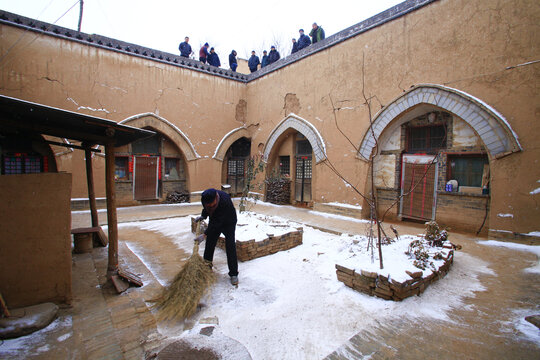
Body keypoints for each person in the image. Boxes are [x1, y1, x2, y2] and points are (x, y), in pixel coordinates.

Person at [194, 188, 239, 285]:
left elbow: (216, 223)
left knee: (230, 246)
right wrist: (203, 216)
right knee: (210, 243)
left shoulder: (224, 201)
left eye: (212, 203)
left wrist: (205, 234)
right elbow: (206, 209)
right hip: (216, 220)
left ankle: (233, 274)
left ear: (216, 198)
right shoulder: (205, 199)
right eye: (208, 204)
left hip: (228, 222)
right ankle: (207, 267)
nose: (210, 205)